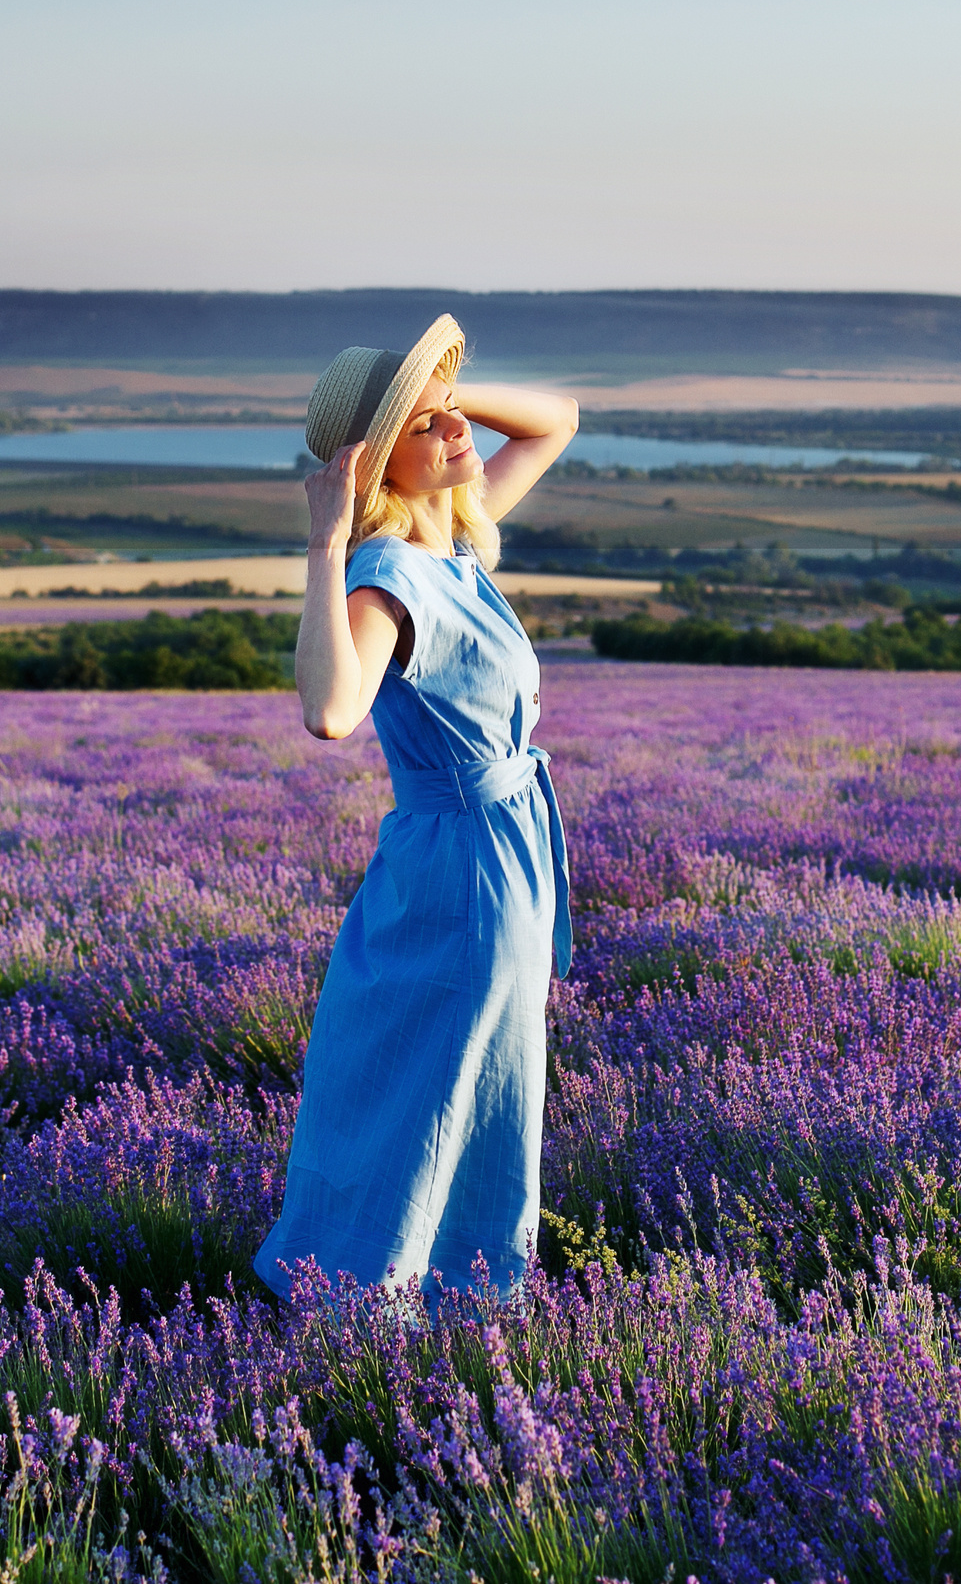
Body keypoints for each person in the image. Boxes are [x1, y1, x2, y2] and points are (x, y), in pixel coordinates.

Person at [254, 313, 579, 1307]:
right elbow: (329, 712)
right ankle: (381, 1308)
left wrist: (434, 391)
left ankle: (447, 1299)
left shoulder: (457, 546)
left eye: (451, 418)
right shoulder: (390, 576)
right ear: (380, 469)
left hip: (497, 857)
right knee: (427, 1089)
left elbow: (555, 421)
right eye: (428, 428)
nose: (455, 436)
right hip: (465, 873)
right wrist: (327, 535)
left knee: (472, 1088)